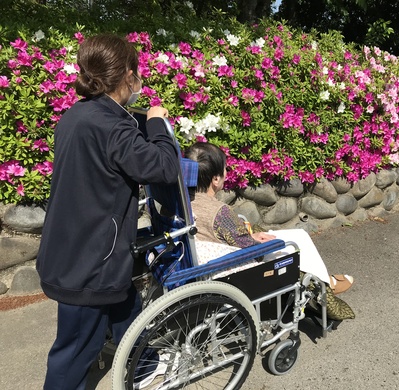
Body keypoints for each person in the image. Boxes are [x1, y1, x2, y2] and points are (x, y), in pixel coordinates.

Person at [36, 34, 180, 390]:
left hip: (72, 248)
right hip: (90, 263)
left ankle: (144, 365)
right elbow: (163, 167)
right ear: (129, 75)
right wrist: (158, 123)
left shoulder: (76, 116)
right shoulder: (112, 126)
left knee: (125, 305)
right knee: (72, 355)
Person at [183, 142, 355, 296]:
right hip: (231, 268)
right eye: (225, 169)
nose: (227, 173)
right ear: (215, 179)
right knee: (297, 239)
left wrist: (250, 237)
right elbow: (248, 248)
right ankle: (325, 286)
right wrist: (257, 242)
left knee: (278, 236)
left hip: (200, 261)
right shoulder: (219, 212)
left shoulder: (180, 203)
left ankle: (324, 280)